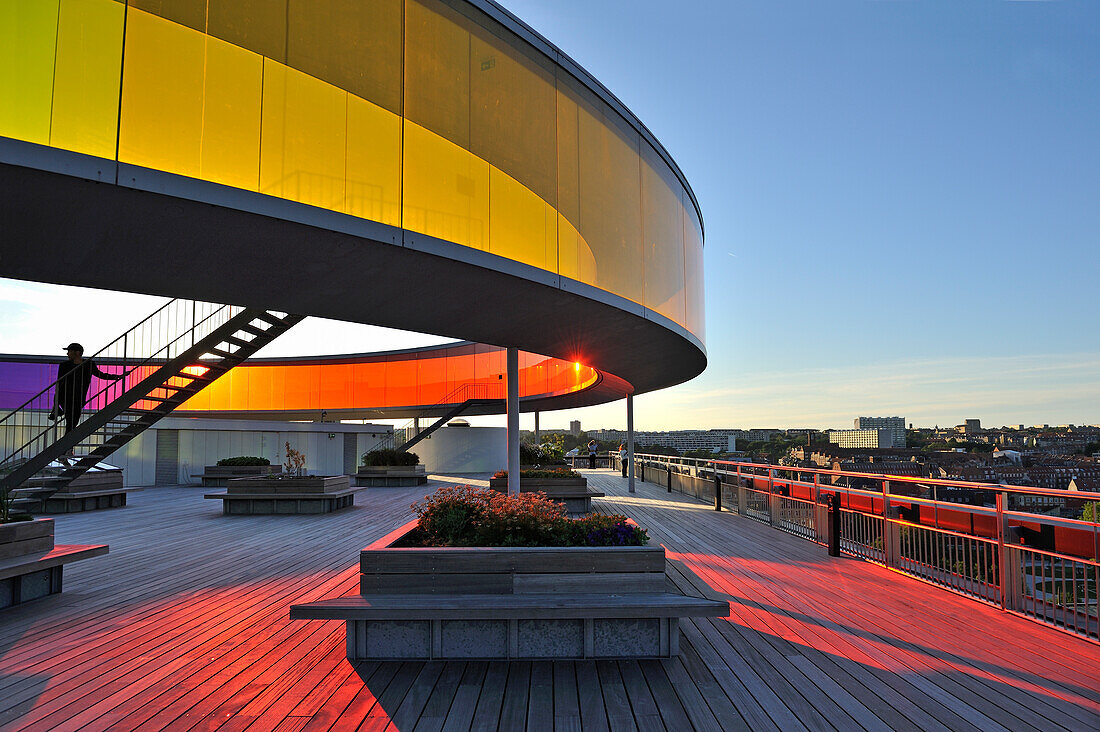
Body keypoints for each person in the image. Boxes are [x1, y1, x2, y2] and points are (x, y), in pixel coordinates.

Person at [49, 343, 123, 435]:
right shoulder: (64, 365)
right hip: (65, 398)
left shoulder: (88, 364)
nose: (67, 354)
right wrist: (55, 402)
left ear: (77, 352)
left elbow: (100, 374)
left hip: (78, 399)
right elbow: (59, 383)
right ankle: (66, 445)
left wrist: (117, 377)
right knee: (71, 421)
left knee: (73, 421)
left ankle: (67, 444)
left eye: (69, 351)